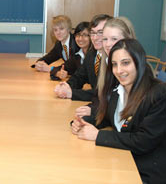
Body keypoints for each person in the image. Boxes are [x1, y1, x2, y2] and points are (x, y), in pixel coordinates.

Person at [71, 39, 166, 183]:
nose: (119, 70)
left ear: (139, 62)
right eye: (114, 64)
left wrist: (98, 136)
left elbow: (143, 141)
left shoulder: (158, 94)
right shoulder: (118, 90)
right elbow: (109, 118)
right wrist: (82, 123)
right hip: (122, 160)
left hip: (145, 171)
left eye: (125, 63)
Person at [74, 17, 136, 118]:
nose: (107, 44)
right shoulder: (107, 62)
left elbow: (126, 115)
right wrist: (86, 121)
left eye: (114, 39)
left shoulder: (132, 69)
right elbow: (105, 100)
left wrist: (93, 112)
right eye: (105, 39)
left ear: (127, 39)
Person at [54, 14, 112, 101]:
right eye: (92, 33)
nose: (95, 38)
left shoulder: (115, 59)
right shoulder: (91, 54)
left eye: (100, 32)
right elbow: (80, 76)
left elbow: (105, 93)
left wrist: (72, 93)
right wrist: (66, 85)